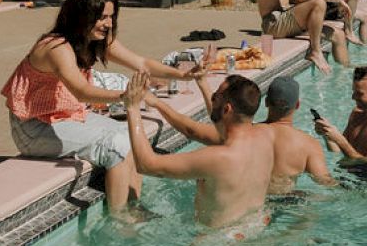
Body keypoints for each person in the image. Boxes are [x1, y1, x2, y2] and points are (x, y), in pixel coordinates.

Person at [0, 0, 201, 215]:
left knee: (132, 136)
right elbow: (81, 91)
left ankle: (134, 207)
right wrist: (126, 97)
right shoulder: (56, 47)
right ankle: (120, 218)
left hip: (65, 118)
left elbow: (143, 63)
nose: (109, 24)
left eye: (111, 17)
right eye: (102, 17)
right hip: (34, 128)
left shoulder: (95, 41)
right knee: (114, 145)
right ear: (81, 17)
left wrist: (184, 75)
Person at [123, 72, 276, 235]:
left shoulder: (217, 158)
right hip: (255, 229)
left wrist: (132, 107)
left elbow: (146, 164)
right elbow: (195, 131)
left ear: (227, 109)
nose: (211, 98)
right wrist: (157, 103)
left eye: (215, 97)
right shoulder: (266, 138)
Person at [144, 75, 336, 195]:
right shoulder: (309, 145)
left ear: (266, 102)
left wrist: (158, 104)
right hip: (285, 206)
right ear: (297, 105)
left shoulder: (248, 135)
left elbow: (195, 130)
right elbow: (326, 183)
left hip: (247, 205)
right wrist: (335, 140)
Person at [313, 66, 367, 180]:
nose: (353, 97)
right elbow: (339, 150)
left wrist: (339, 139)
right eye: (353, 91)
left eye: (359, 93)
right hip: (346, 178)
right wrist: (328, 135)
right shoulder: (357, 113)